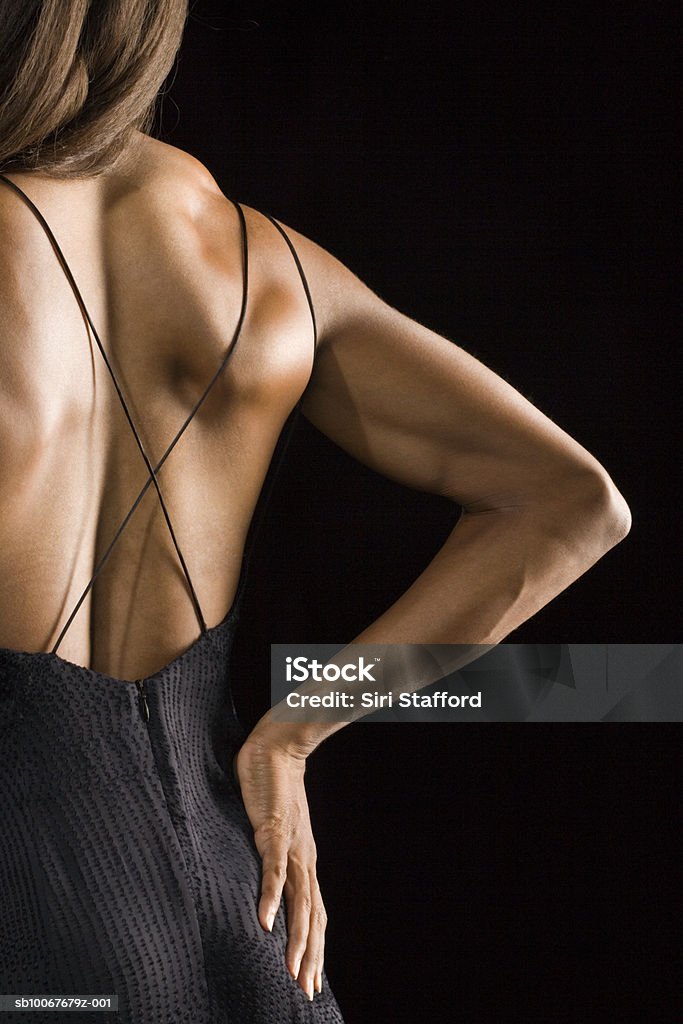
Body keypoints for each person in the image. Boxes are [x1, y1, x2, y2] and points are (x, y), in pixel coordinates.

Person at [0, 3, 631, 1021]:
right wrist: (290, 733)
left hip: (36, 927)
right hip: (255, 920)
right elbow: (571, 501)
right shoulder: (256, 256)